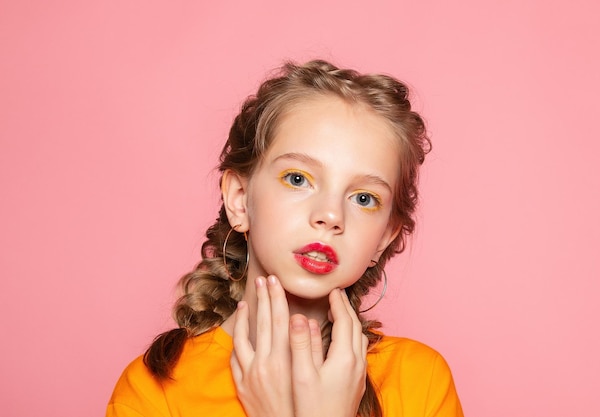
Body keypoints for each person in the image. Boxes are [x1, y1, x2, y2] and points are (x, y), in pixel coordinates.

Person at [106, 59, 464, 417]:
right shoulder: (156, 391)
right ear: (240, 199)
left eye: (363, 198)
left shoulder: (421, 381)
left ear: (384, 237)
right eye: (297, 179)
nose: (331, 216)